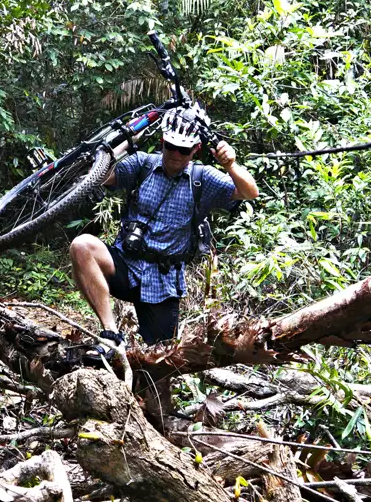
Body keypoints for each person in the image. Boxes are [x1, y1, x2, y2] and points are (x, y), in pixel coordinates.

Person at [69, 105, 259, 357]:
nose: (176, 155)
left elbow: (249, 193)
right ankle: (110, 335)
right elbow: (99, 176)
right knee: (81, 245)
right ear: (163, 141)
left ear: (195, 150)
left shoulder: (203, 178)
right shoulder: (143, 165)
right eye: (171, 146)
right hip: (125, 264)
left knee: (160, 363)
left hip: (163, 281)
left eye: (184, 150)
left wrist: (231, 165)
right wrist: (117, 146)